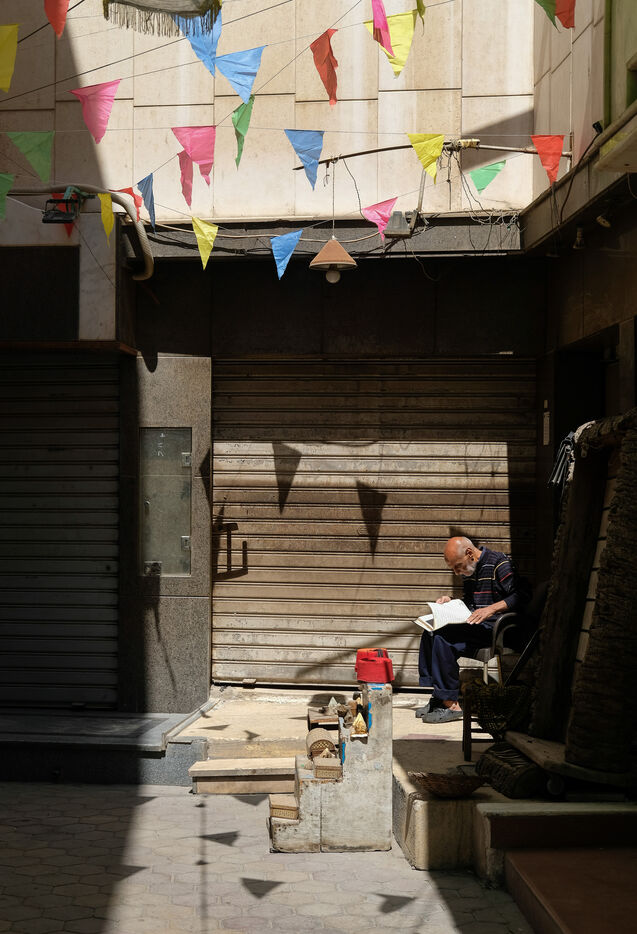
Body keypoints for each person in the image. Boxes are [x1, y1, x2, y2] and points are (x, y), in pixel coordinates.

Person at [417, 536, 530, 723]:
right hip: (478, 626)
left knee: (443, 638)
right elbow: (471, 602)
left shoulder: (499, 564)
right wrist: (450, 601)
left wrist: (491, 609)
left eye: (457, 566)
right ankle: (439, 695)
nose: (456, 572)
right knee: (430, 631)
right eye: (453, 569)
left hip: (498, 629)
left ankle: (451, 705)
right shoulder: (470, 570)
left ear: (469, 553)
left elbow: (523, 594)